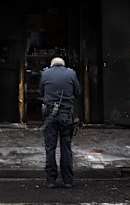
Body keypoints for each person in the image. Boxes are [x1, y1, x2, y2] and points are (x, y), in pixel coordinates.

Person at [39, 57, 80, 189]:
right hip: (66, 115)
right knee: (66, 148)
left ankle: (51, 180)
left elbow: (41, 92)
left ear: (52, 65)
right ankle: (68, 180)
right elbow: (78, 92)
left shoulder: (45, 73)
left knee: (50, 148)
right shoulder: (71, 73)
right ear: (63, 64)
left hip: (50, 115)